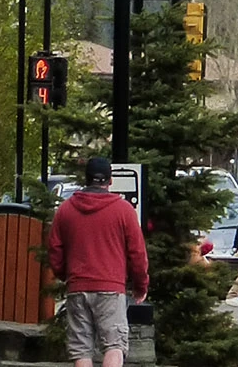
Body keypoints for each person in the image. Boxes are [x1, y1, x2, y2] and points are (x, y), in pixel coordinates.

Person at [47, 153, 150, 367]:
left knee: (81, 348)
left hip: (77, 286)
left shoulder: (65, 210)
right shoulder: (124, 211)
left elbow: (55, 250)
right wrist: (140, 286)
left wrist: (67, 275)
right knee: (114, 345)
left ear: (86, 178)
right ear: (110, 181)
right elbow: (137, 253)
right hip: (111, 288)